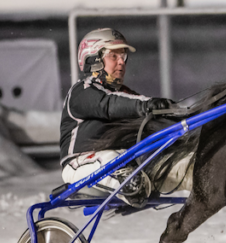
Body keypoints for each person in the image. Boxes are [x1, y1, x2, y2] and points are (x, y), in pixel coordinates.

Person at [59, 28, 172, 206]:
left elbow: (145, 111)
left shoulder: (124, 95)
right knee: (115, 160)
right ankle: (130, 183)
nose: (121, 62)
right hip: (80, 166)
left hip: (119, 162)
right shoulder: (82, 91)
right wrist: (147, 105)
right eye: (114, 56)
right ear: (94, 59)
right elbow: (109, 104)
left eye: (123, 57)